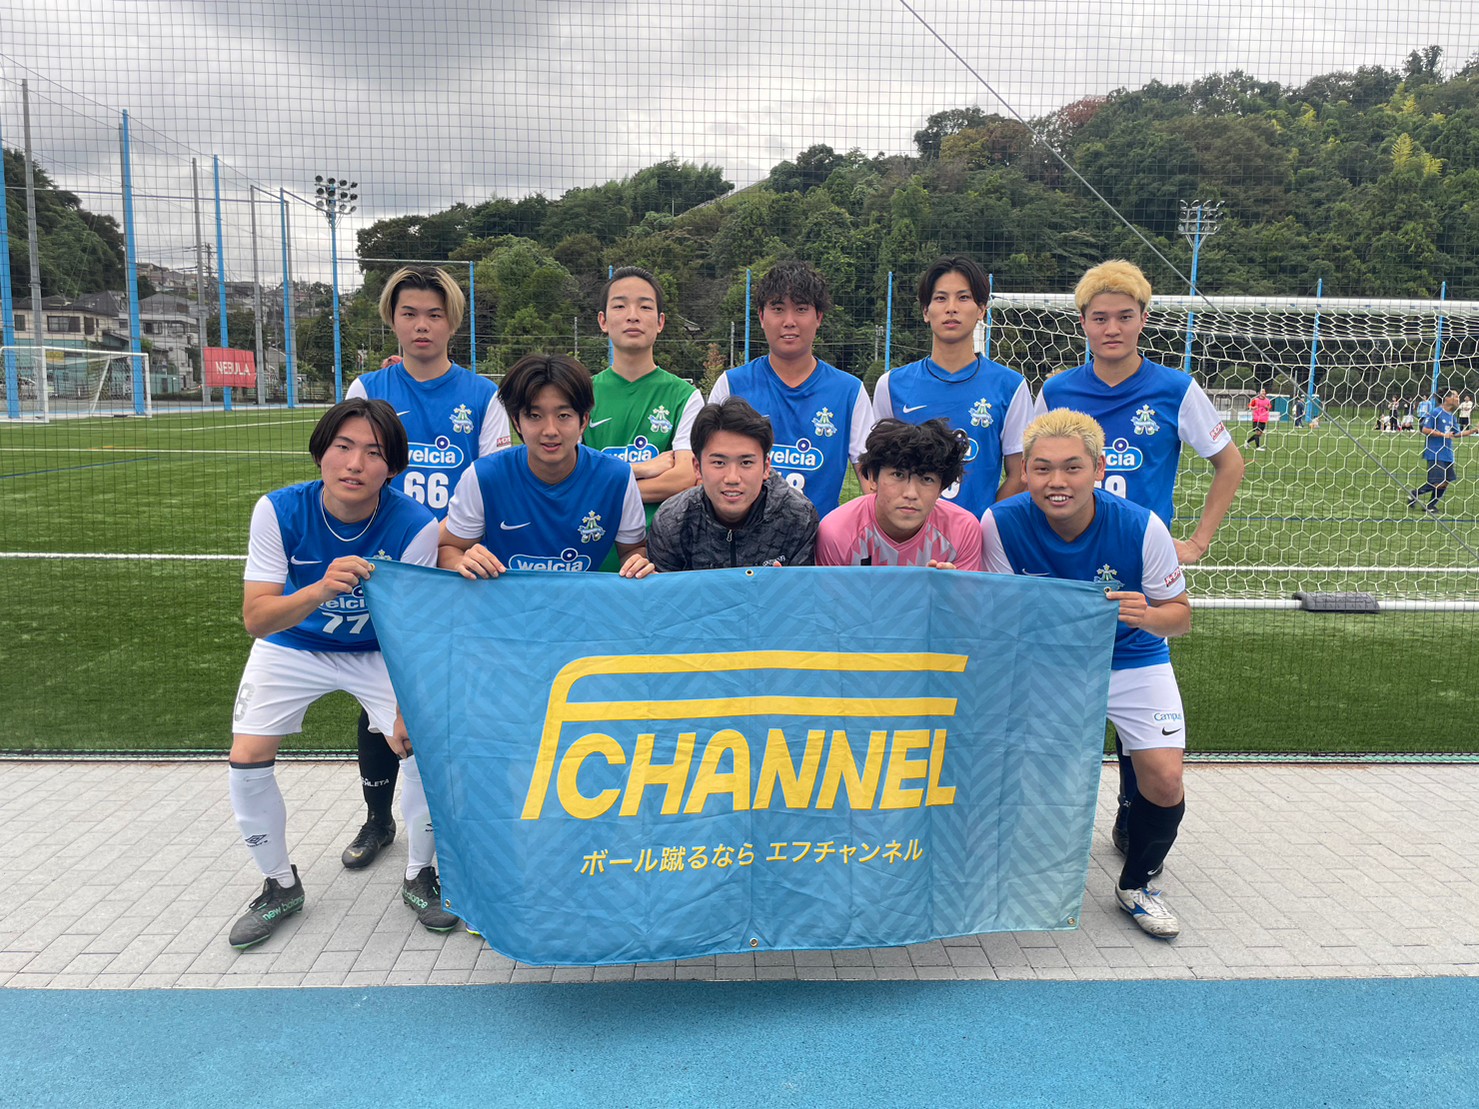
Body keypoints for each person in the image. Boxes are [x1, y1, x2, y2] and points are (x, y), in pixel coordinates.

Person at [1034, 259, 1244, 866]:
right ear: (1083, 322)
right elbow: (1030, 470)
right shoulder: (1057, 391)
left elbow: (1229, 463)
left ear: (1144, 319)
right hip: (1067, 569)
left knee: (1137, 691)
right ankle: (1051, 824)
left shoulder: (1175, 389)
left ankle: (1132, 810)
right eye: (1100, 318)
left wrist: (1196, 542)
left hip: (1140, 570)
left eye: (1124, 316)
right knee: (1060, 695)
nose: (1112, 328)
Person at [228, 398, 457, 949]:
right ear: (320, 453)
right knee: (246, 758)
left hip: (381, 650)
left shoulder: (415, 525)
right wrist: (319, 590)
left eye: (373, 453)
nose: (355, 463)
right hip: (294, 644)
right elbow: (258, 619)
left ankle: (421, 874)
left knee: (421, 744)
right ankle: (279, 884)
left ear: (393, 467)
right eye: (343, 447)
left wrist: (409, 705)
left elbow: (416, 628)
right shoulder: (277, 510)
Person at [983, 409, 1192, 938]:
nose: (1057, 481)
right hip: (1049, 662)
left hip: (1133, 657)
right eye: (1043, 468)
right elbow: (999, 615)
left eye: (1072, 467)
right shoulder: (999, 523)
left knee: (1165, 779)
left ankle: (1137, 885)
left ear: (1098, 469)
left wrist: (1147, 615)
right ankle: (1017, 873)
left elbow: (1181, 616)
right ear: (1025, 471)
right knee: (1027, 775)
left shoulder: (1142, 526)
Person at [338, 266, 511, 872]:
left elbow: (493, 482)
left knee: (457, 697)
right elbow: (351, 473)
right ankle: (378, 818)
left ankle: (457, 821)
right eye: (409, 313)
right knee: (382, 696)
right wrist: (408, 545)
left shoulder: (483, 395)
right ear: (392, 319)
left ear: (452, 323)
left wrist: (442, 545)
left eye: (434, 315)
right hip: (387, 571)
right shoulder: (369, 387)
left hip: (455, 568)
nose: (421, 325)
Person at [439, 353, 653, 579]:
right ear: (516, 422)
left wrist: (637, 564)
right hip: (505, 602)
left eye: (563, 415)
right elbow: (449, 548)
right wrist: (461, 561)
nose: (550, 430)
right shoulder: (483, 476)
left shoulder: (617, 478)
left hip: (582, 601)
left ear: (583, 421)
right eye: (534, 416)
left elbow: (632, 550)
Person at [709, 260, 875, 513]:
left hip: (820, 534)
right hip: (746, 533)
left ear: (818, 317)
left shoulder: (849, 392)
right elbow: (708, 470)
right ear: (761, 317)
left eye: (801, 309)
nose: (789, 321)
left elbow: (871, 482)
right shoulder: (731, 385)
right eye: (778, 309)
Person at [872, 256, 1032, 515]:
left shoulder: (1011, 387)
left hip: (976, 535)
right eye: (940, 298)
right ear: (926, 311)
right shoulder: (891, 385)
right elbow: (878, 471)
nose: (951, 308)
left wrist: (984, 525)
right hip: (908, 534)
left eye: (963, 297)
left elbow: (1020, 476)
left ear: (981, 310)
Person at [585, 266, 704, 569]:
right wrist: (644, 469)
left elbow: (685, 477)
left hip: (662, 557)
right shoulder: (580, 394)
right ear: (603, 321)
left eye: (645, 307)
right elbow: (568, 479)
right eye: (620, 306)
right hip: (590, 553)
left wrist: (603, 488)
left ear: (660, 322)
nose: (633, 316)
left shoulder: (685, 396)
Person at [647, 397, 819, 571]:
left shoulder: (798, 516)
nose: (732, 478)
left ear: (766, 467)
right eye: (719, 463)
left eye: (746, 463)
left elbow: (803, 587)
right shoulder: (672, 520)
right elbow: (664, 588)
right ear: (697, 467)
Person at [815, 418, 982, 570]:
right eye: (898, 475)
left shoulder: (963, 531)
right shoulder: (837, 532)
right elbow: (830, 594)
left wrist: (951, 589)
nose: (911, 493)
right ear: (873, 477)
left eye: (927, 479)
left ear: (942, 488)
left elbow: (966, 594)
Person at [1408, 390, 1475, 514]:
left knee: (1446, 481)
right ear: (1447, 398)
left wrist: (1473, 430)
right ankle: (1415, 494)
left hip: (1447, 454)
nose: (1458, 399)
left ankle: (1429, 504)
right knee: (1437, 482)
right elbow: (1425, 429)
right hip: (1435, 452)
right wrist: (1442, 435)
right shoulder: (1436, 412)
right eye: (1455, 396)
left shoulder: (1452, 416)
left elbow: (1456, 434)